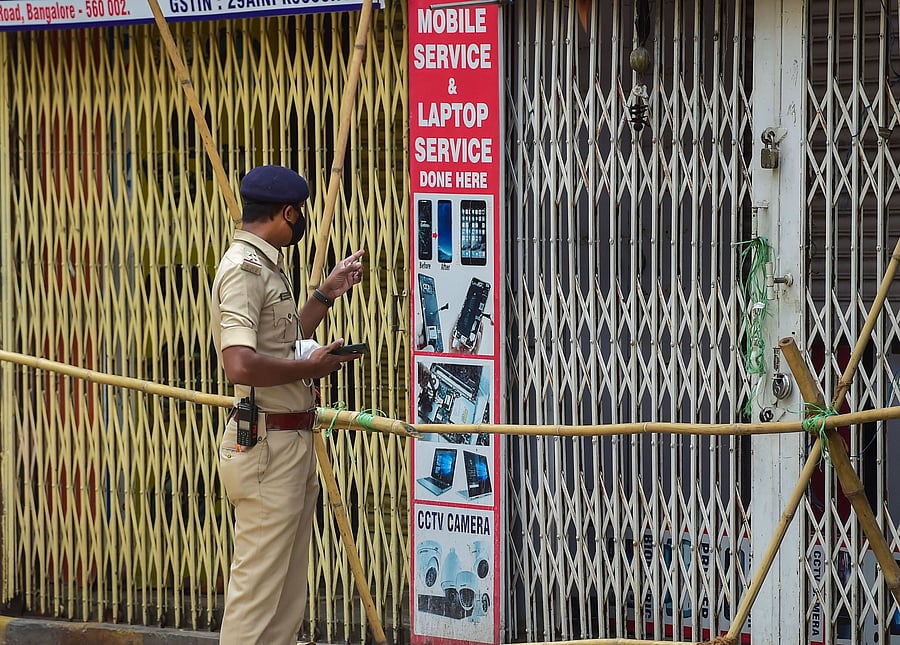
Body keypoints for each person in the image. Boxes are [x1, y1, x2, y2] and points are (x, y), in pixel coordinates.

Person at [210, 164, 365, 644]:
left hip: (287, 440)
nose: (298, 224)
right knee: (256, 597)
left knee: (284, 599)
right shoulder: (243, 269)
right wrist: (311, 369)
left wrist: (324, 294)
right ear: (288, 213)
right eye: (298, 217)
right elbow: (239, 364)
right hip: (266, 448)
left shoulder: (268, 263)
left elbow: (280, 343)